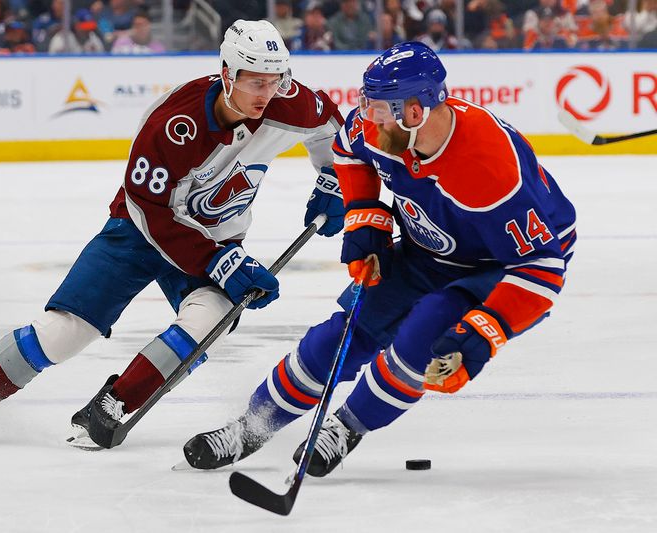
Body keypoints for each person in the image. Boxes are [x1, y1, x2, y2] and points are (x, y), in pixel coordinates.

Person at [0, 19, 345, 449]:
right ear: (228, 74)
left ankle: (113, 404)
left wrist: (331, 178)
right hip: (138, 231)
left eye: (275, 81)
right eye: (255, 82)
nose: (266, 94)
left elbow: (336, 133)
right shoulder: (173, 123)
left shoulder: (288, 101)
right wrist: (216, 260)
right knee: (65, 332)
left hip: (216, 240)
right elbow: (149, 210)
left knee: (211, 319)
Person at [184, 41, 577, 477]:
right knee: (345, 332)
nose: (369, 116)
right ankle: (251, 427)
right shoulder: (382, 129)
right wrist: (366, 224)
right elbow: (350, 153)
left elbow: (542, 267)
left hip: (498, 267)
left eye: (380, 108)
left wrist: (485, 333)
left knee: (423, 336)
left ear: (416, 111)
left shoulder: (489, 168)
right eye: (367, 103)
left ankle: (346, 428)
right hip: (428, 248)